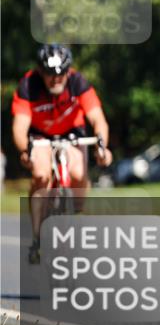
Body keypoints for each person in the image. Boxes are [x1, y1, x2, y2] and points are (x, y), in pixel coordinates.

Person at [11, 44, 111, 263]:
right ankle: (38, 236)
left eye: (61, 74)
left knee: (77, 173)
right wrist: (24, 151)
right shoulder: (28, 85)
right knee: (41, 175)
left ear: (68, 71)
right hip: (40, 135)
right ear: (40, 71)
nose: (56, 80)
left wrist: (102, 147)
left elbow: (97, 118)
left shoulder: (78, 82)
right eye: (49, 75)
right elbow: (20, 127)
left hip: (72, 132)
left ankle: (77, 214)